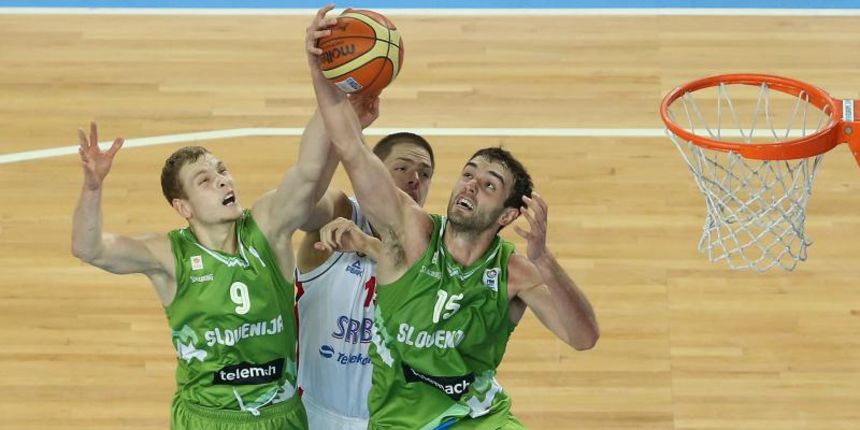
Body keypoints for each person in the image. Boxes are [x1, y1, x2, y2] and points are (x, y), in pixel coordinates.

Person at [305, 5, 600, 429]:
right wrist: (321, 70)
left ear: (508, 215)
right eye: (467, 175)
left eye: (488, 185)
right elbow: (351, 147)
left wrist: (546, 261)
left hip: (482, 420)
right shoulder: (411, 232)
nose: (469, 186)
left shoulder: (515, 273)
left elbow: (583, 338)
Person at [70, 41, 379, 428]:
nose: (221, 181)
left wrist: (329, 77)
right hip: (206, 417)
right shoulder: (168, 254)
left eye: (221, 170)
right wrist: (93, 189)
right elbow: (88, 247)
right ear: (184, 207)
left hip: (277, 416)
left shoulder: (267, 226)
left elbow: (309, 169)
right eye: (204, 180)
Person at [295, 131, 435, 430]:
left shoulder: (432, 241)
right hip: (313, 413)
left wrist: (367, 245)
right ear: (372, 173)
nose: (415, 179)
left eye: (425, 174)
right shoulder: (339, 210)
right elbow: (300, 209)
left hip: (394, 419)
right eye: (402, 168)